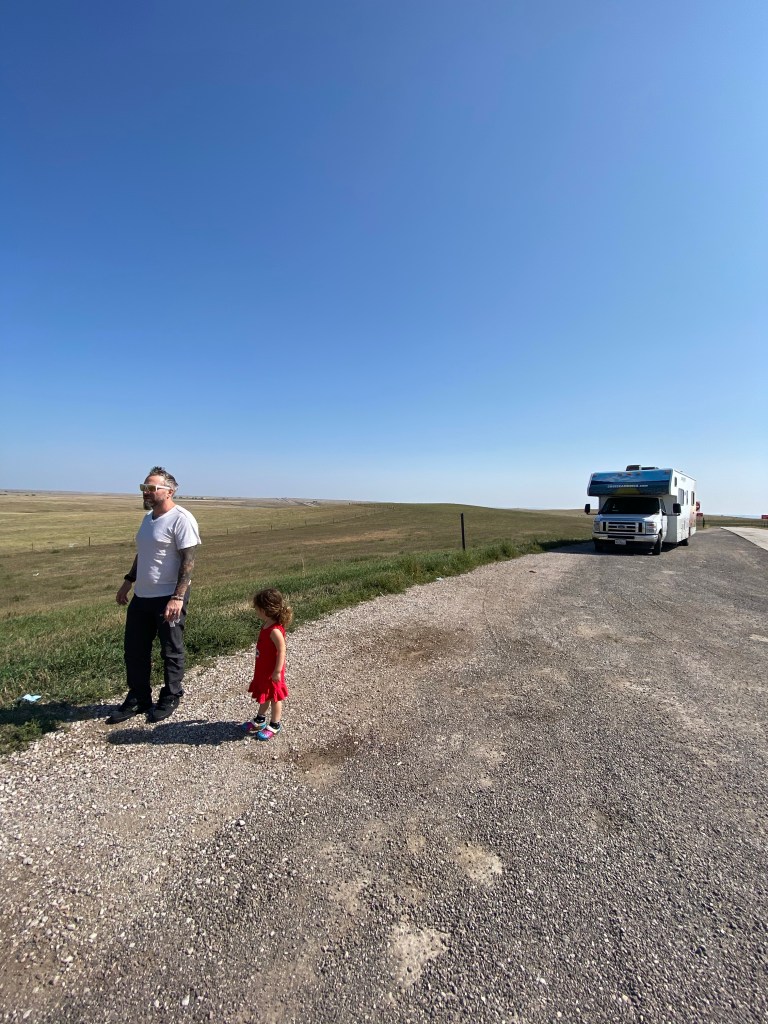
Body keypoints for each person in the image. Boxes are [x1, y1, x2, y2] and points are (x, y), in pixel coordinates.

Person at [107, 467, 202, 724]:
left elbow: (188, 562)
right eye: (144, 488)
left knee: (171, 649)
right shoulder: (148, 519)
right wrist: (128, 581)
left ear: (170, 491)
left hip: (168, 596)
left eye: (151, 488)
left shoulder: (182, 519)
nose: (146, 492)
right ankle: (139, 697)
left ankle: (171, 695)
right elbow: (144, 553)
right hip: (142, 596)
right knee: (134, 650)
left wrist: (177, 597)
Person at [242, 588, 292, 740]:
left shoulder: (274, 630)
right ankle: (260, 719)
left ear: (264, 610)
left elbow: (282, 650)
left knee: (275, 697)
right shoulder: (266, 624)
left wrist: (277, 671)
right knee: (265, 694)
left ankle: (275, 724)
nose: (256, 611)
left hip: (273, 671)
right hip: (263, 669)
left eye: (257, 609)